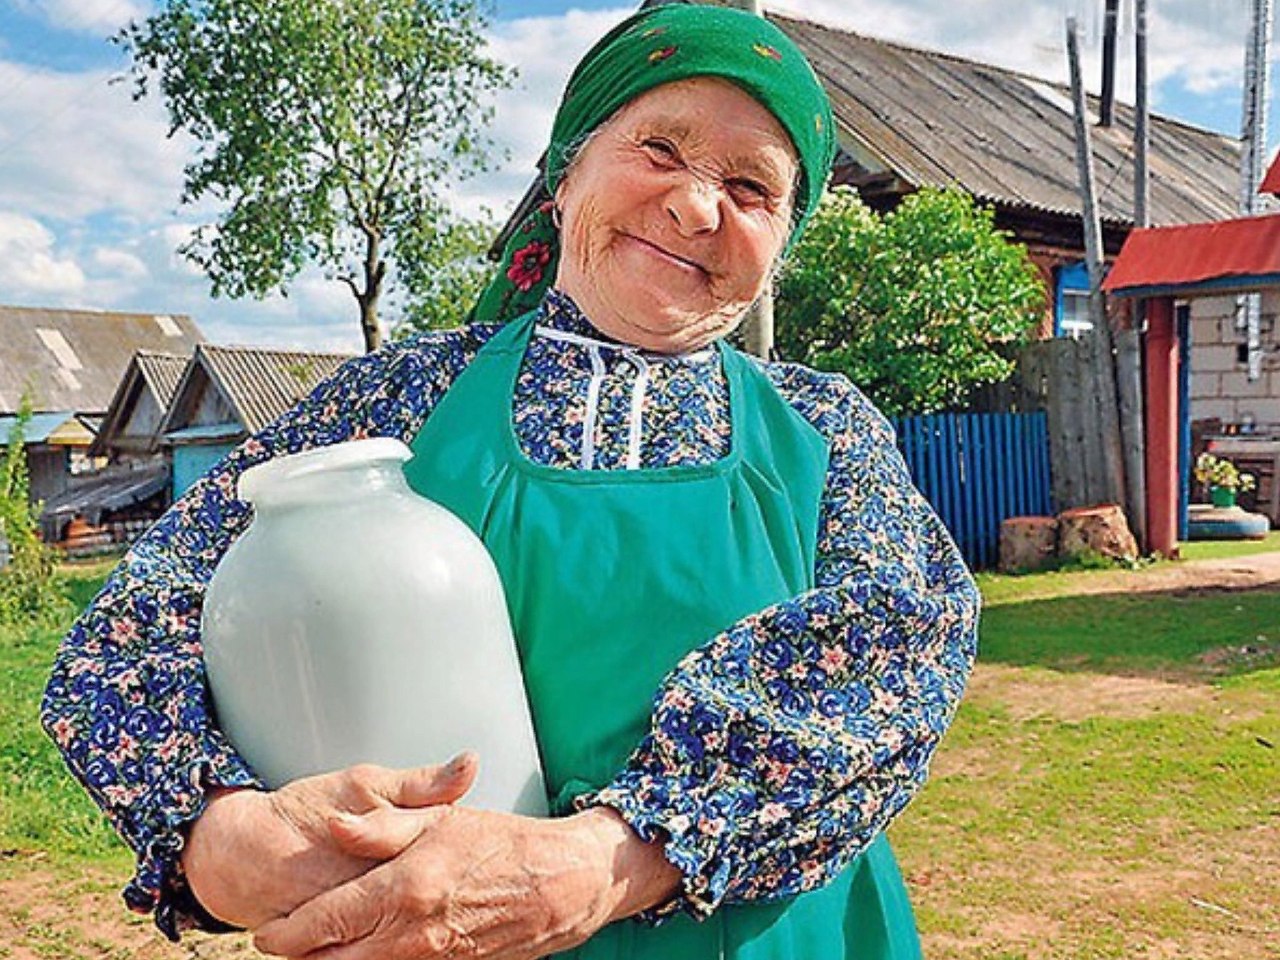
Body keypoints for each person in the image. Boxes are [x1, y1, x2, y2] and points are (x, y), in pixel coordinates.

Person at [41, 5, 981, 959]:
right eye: (660, 149)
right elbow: (125, 644)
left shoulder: (824, 429)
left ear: (783, 238)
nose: (699, 208)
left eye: (751, 188)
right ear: (567, 176)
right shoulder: (402, 397)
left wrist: (611, 857)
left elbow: (899, 658)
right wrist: (213, 834)